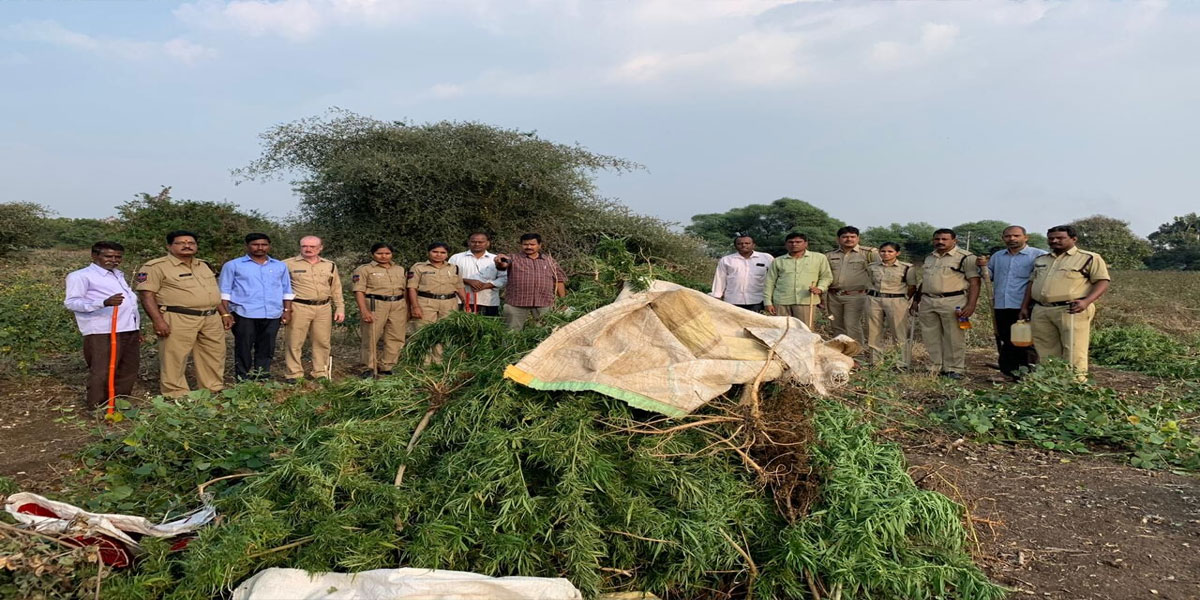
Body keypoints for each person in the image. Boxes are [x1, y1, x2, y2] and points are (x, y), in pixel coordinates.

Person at [136, 230, 232, 397]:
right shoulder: (155, 267)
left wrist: (224, 313)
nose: (187, 246)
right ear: (169, 246)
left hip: (210, 317)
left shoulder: (203, 265)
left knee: (214, 354)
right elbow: (146, 295)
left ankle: (212, 388)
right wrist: (158, 321)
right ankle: (175, 393)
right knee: (175, 356)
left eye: (191, 243)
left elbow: (212, 292)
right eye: (181, 243)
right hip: (178, 316)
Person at [1019, 225, 1111, 380]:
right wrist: (1025, 306)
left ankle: (1075, 384)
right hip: (1041, 309)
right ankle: (1050, 383)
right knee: (1045, 349)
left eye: (1060, 238)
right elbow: (1031, 283)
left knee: (1074, 349)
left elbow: (1102, 281)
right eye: (1051, 239)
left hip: (1072, 309)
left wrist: (1086, 302)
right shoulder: (1041, 260)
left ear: (1073, 239)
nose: (1055, 241)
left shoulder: (1089, 258)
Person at [64, 241, 141, 408]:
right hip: (102, 330)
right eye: (108, 256)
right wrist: (102, 303)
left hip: (128, 328)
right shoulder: (80, 276)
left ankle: (119, 403)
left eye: (118, 257)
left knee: (128, 367)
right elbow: (72, 302)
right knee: (102, 369)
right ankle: (97, 406)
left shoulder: (118, 274)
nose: (113, 260)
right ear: (95, 256)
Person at [219, 233, 294, 382]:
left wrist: (287, 310)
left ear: (269, 246)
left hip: (272, 313)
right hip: (244, 313)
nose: (260, 248)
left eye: (264, 244)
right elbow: (224, 292)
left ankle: (262, 377)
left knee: (267, 347)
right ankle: (243, 379)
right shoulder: (233, 265)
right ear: (247, 246)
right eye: (255, 244)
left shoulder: (279, 266)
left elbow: (286, 290)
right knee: (244, 347)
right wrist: (226, 314)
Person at [910, 229, 981, 380]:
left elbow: (975, 282)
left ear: (954, 241)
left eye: (944, 239)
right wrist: (916, 300)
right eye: (937, 239)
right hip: (928, 301)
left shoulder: (966, 258)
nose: (940, 242)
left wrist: (971, 305)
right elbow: (926, 280)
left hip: (954, 301)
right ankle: (935, 366)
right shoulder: (930, 257)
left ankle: (954, 368)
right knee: (930, 335)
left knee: (954, 336)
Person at [977, 226, 1047, 379]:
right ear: (1003, 238)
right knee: (1007, 338)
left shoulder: (1039, 256)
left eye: (1016, 236)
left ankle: (1028, 373)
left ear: (1025, 237)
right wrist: (982, 266)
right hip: (1002, 304)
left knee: (1026, 341)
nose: (1012, 239)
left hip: (1025, 304)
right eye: (1008, 236)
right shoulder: (998, 256)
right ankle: (1008, 372)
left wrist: (1028, 305)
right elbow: (990, 275)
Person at [282, 236, 345, 383]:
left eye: (312, 246)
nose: (308, 249)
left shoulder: (330, 265)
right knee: (294, 341)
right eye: (304, 246)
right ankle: (294, 374)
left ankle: (320, 372)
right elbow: (279, 287)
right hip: (299, 306)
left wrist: (340, 307)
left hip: (323, 307)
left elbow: (336, 288)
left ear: (320, 248)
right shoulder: (287, 264)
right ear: (300, 246)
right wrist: (284, 309)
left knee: (322, 341)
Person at [352, 243, 408, 377]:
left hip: (397, 304)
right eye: (379, 253)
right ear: (373, 254)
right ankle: (368, 367)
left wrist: (408, 308)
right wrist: (364, 311)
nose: (384, 256)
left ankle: (387, 365)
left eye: (387, 253)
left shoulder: (400, 269)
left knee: (396, 336)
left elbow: (405, 289)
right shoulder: (364, 269)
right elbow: (359, 291)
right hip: (375, 304)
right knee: (371, 336)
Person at [494, 233, 567, 331]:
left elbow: (559, 280)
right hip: (516, 303)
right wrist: (500, 261)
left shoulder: (549, 261)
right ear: (521, 245)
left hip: (544, 302)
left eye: (532, 244)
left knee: (546, 332)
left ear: (539, 245)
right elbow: (503, 264)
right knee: (511, 333)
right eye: (525, 244)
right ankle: (510, 347)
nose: (528, 247)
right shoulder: (514, 258)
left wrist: (563, 300)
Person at [866, 242, 917, 367]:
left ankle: (901, 363)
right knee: (873, 331)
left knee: (899, 332)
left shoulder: (906, 268)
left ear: (897, 253)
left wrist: (904, 299)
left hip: (896, 300)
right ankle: (875, 362)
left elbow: (912, 287)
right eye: (883, 251)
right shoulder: (872, 266)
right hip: (874, 299)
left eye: (890, 251)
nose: (886, 254)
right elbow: (870, 281)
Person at [825, 226, 877, 345]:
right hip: (833, 296)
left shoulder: (869, 253)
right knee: (836, 325)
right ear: (838, 239)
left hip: (856, 296)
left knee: (852, 325)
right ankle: (840, 354)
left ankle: (857, 354)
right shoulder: (829, 255)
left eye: (852, 237)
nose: (849, 239)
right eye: (845, 237)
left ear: (858, 238)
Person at [764, 232, 833, 320]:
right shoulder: (778, 261)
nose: (794, 244)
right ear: (786, 244)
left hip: (806, 301)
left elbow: (826, 277)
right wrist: (768, 302)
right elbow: (770, 282)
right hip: (781, 302)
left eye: (798, 242)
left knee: (805, 330)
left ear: (806, 244)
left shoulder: (819, 258)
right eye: (791, 242)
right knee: (782, 330)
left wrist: (820, 288)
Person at [408, 242, 467, 327]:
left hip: (449, 304)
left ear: (447, 255)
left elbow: (459, 287)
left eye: (443, 252)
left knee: (447, 331)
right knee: (424, 330)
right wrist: (415, 307)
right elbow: (412, 288)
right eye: (435, 252)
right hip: (426, 304)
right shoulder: (418, 267)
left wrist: (465, 303)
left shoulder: (454, 268)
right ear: (428, 253)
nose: (438, 255)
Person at [710, 234, 774, 312]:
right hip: (733, 301)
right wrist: (716, 297)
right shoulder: (727, 260)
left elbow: (774, 278)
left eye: (747, 243)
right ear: (735, 246)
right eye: (739, 244)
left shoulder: (766, 258)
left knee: (755, 323)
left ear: (753, 245)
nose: (743, 245)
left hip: (758, 300)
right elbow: (720, 279)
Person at [449, 232, 507, 316]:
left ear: (487, 243)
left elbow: (504, 278)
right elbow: (448, 277)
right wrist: (467, 281)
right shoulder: (456, 258)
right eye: (473, 241)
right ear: (468, 242)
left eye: (481, 242)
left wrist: (486, 285)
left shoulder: (496, 259)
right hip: (461, 301)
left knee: (486, 328)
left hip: (488, 301)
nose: (477, 244)